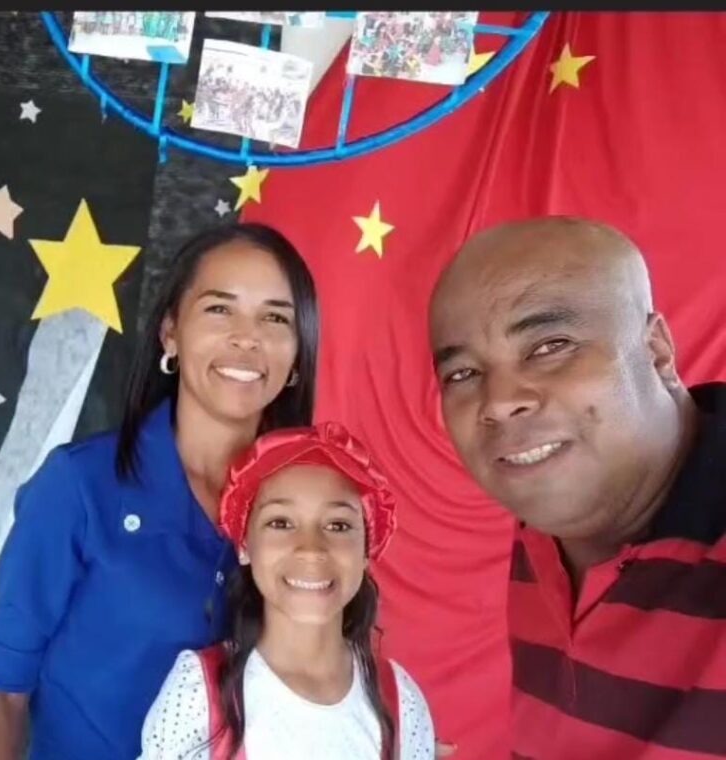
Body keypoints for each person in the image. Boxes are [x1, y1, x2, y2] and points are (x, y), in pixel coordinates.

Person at [0, 222, 320, 760]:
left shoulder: (312, 506)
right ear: (170, 333)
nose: (247, 337)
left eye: (275, 317)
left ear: (298, 353)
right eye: (220, 309)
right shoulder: (80, 486)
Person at [427, 216, 726, 759]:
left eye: (550, 346)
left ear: (656, 350)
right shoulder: (551, 514)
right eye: (463, 374)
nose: (499, 402)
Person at [138, 422, 439, 760]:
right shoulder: (200, 693)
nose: (311, 549)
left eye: (338, 525)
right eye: (280, 523)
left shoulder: (400, 702)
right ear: (245, 545)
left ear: (367, 549)